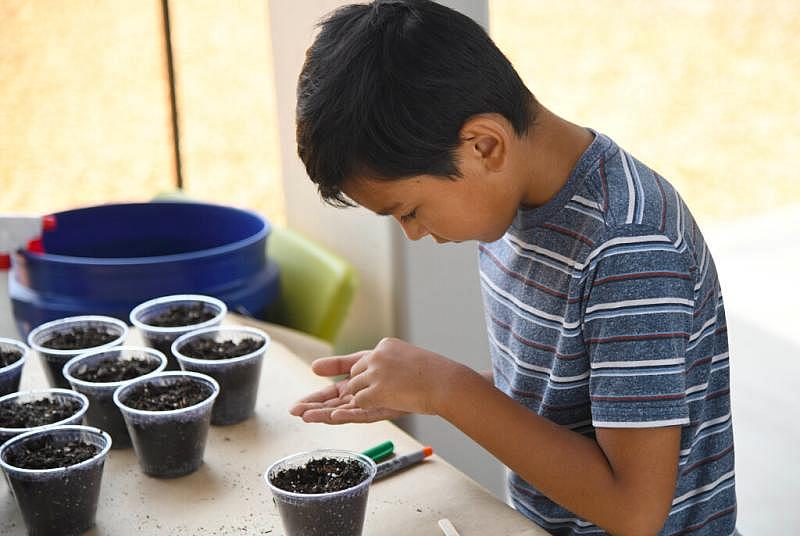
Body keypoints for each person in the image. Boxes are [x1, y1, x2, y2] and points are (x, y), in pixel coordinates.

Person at [289, 1, 737, 534]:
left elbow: (634, 509)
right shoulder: (512, 204)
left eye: (409, 211)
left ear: (484, 145)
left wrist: (447, 388)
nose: (413, 232)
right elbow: (561, 393)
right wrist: (416, 387)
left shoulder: (628, 248)